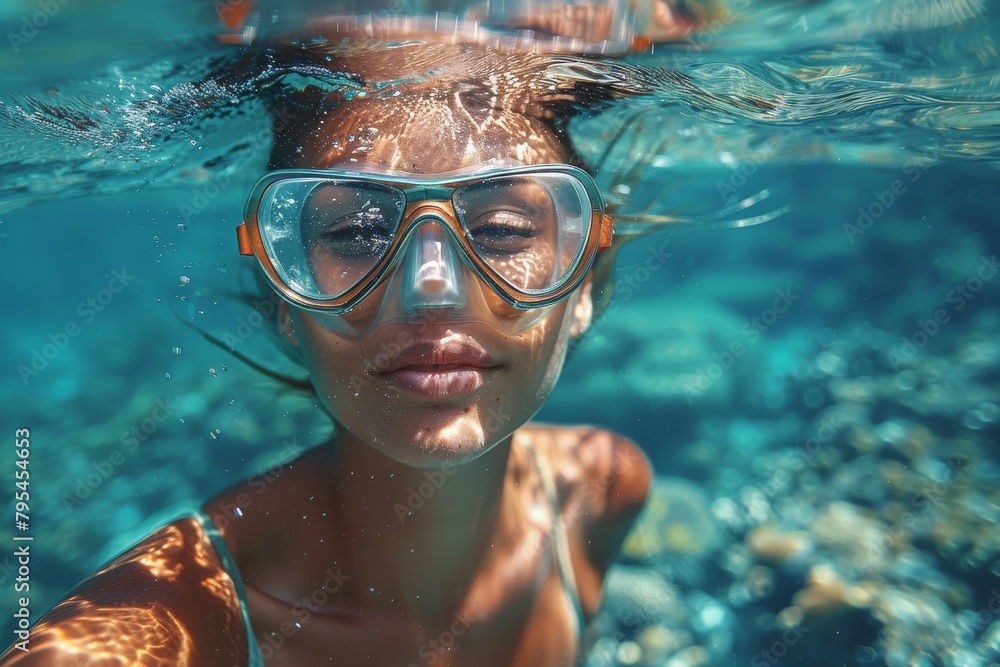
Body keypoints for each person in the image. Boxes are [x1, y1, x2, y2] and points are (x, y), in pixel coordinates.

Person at [0, 24, 654, 667]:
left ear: (585, 282)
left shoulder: (600, 489)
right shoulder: (153, 638)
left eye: (505, 229)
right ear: (285, 299)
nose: (433, 288)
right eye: (357, 232)